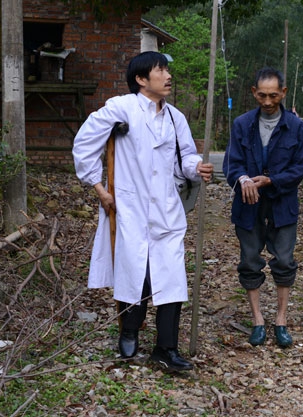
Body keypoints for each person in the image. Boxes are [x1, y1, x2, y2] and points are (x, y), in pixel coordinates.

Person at [73, 51, 213, 372]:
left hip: (166, 208)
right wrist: (99, 188)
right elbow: (84, 143)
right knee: (137, 271)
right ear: (141, 79)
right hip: (129, 207)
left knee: (172, 277)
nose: (167, 76)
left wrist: (197, 168)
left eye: (167, 69)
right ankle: (129, 330)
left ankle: (166, 349)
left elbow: (185, 157)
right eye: (160, 70)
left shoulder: (176, 118)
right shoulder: (121, 108)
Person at [224, 66, 303, 348]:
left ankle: (281, 320)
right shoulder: (242, 124)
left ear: (283, 93)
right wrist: (243, 178)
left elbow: (301, 166)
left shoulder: (296, 127)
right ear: (254, 92)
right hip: (248, 206)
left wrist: (272, 180)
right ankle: (258, 320)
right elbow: (231, 164)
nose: (267, 101)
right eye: (261, 95)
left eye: (273, 95)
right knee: (250, 261)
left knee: (284, 261)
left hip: (282, 204)